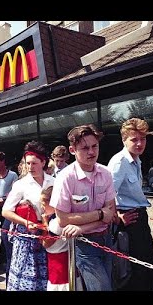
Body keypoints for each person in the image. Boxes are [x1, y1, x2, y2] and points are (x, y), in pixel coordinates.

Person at [50, 124, 116, 291]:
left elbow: (111, 214)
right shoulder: (65, 178)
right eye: (85, 148)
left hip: (107, 239)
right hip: (84, 245)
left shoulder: (106, 173)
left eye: (95, 146)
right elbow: (63, 219)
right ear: (72, 150)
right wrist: (100, 214)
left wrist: (84, 225)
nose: (91, 152)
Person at [107, 118, 153, 291]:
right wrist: (117, 217)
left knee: (149, 269)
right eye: (134, 139)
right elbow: (106, 195)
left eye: (142, 139)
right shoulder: (119, 162)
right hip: (128, 223)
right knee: (133, 273)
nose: (139, 143)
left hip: (139, 219)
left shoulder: (136, 160)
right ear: (124, 140)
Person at [2, 141, 54, 291]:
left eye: (34, 163)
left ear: (43, 162)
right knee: (26, 279)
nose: (30, 167)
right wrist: (25, 222)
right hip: (27, 237)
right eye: (28, 163)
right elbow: (6, 211)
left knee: (47, 277)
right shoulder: (21, 184)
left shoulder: (54, 182)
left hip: (49, 234)